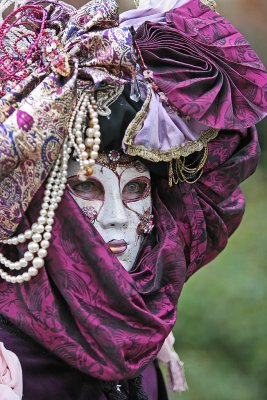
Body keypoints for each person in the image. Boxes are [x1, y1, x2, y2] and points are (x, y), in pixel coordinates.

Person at [0, 0, 266, 399]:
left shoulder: (144, 346)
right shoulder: (11, 364)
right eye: (87, 187)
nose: (116, 219)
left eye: (136, 190)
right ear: (43, 204)